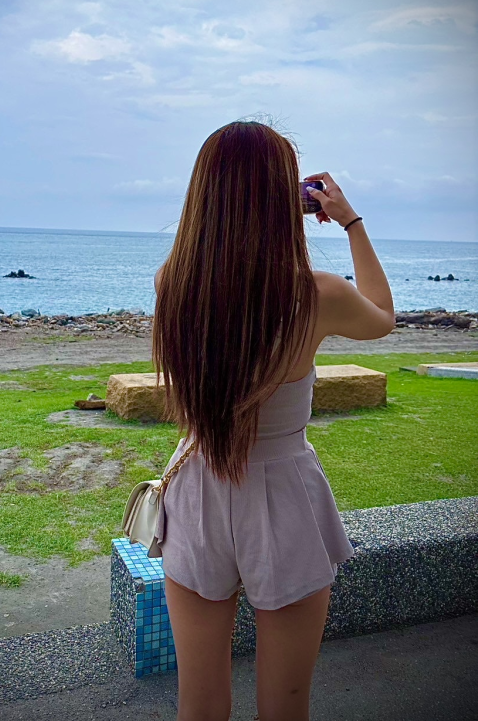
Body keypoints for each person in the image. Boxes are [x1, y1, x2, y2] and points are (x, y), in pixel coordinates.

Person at [151, 120, 394, 721]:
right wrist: (350, 222)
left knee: (198, 704)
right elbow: (382, 317)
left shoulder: (172, 282)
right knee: (285, 706)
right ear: (286, 197)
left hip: (198, 488)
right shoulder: (316, 294)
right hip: (283, 493)